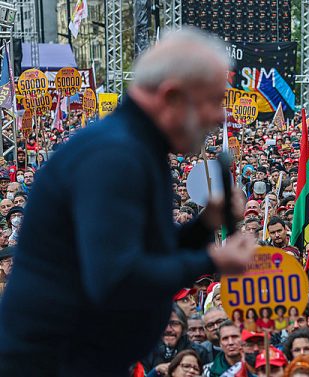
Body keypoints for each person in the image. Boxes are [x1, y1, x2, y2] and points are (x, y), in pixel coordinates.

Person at [0, 28, 256, 377]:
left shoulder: (138, 150)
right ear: (172, 97)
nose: (220, 117)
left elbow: (151, 252)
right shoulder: (115, 156)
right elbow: (117, 278)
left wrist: (207, 223)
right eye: (213, 101)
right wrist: (212, 257)